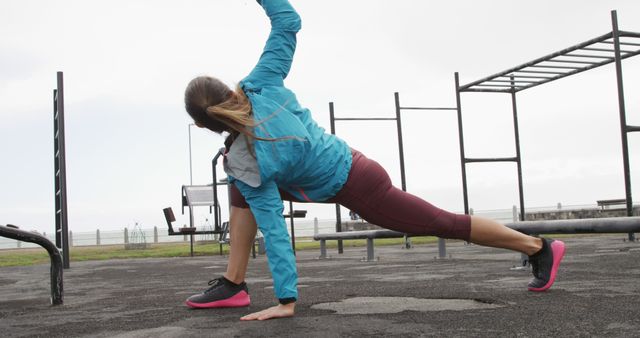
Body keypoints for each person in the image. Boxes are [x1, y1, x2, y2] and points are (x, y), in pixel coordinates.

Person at [182, 0, 565, 321]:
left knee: (442, 223)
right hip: (350, 164)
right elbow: (288, 22)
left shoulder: (249, 160)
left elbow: (275, 231)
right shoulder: (260, 84)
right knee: (237, 182)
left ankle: (537, 247)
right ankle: (234, 284)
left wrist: (286, 301)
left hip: (359, 185)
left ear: (202, 127)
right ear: (225, 89)